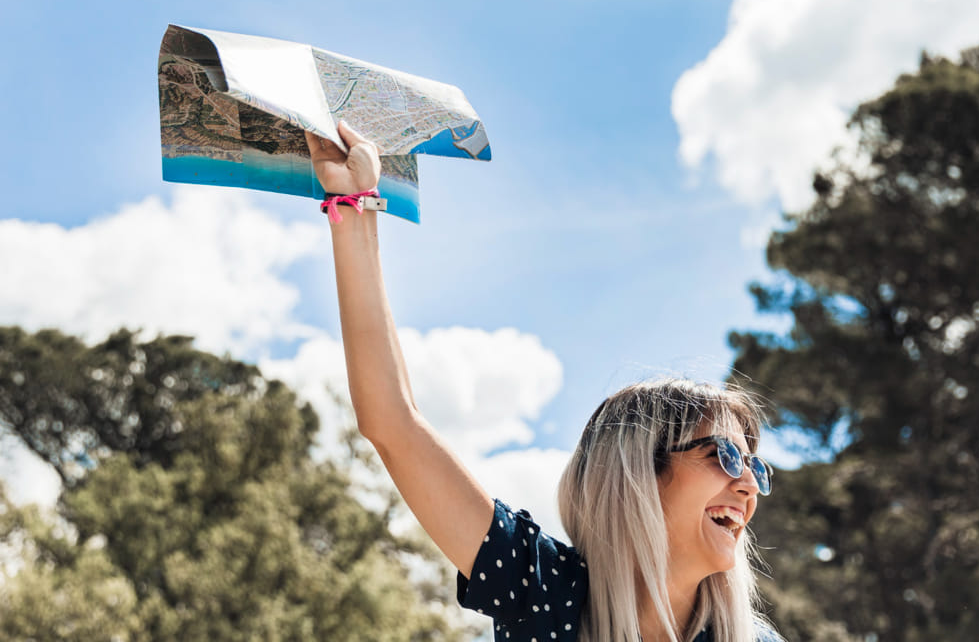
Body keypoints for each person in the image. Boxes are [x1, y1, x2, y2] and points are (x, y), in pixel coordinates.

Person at [307, 121, 783, 642]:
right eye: (726, 456)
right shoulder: (542, 589)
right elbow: (393, 424)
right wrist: (354, 207)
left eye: (754, 466)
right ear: (639, 473)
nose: (747, 486)